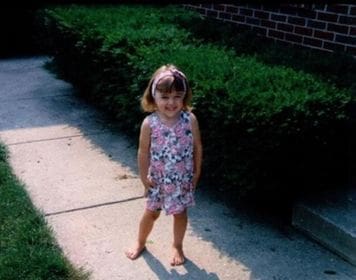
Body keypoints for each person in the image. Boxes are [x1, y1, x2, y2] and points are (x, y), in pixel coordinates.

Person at [125, 64, 203, 266]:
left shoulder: (190, 120)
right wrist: (143, 178)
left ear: (184, 97)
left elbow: (197, 147)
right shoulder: (149, 123)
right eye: (165, 97)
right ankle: (140, 241)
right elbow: (142, 153)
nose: (171, 102)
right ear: (154, 97)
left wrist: (196, 173)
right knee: (151, 213)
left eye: (178, 96)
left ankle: (177, 245)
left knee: (180, 214)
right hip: (157, 181)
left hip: (182, 180)